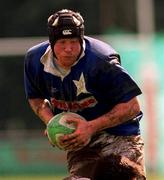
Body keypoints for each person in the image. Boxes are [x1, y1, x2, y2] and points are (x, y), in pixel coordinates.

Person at [24, 9, 146, 180]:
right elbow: (35, 98)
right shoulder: (34, 60)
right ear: (51, 43)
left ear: (81, 39)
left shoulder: (101, 60)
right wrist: (50, 121)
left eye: (74, 41)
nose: (69, 49)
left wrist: (90, 127)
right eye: (63, 42)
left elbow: (132, 106)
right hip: (78, 139)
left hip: (120, 134)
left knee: (119, 175)